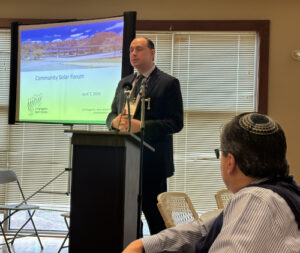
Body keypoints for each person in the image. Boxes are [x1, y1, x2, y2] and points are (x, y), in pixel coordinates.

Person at [123, 112, 300, 253]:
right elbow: (203, 230)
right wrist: (144, 245)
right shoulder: (279, 192)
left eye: (220, 153)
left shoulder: (256, 199)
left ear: (230, 162)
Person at [106, 37, 184, 235]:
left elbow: (175, 123)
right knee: (127, 218)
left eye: (138, 49)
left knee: (156, 219)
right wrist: (114, 122)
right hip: (124, 162)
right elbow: (111, 115)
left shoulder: (168, 83)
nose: (133, 53)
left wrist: (141, 126)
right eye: (131, 50)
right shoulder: (125, 83)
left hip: (153, 164)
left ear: (152, 52)